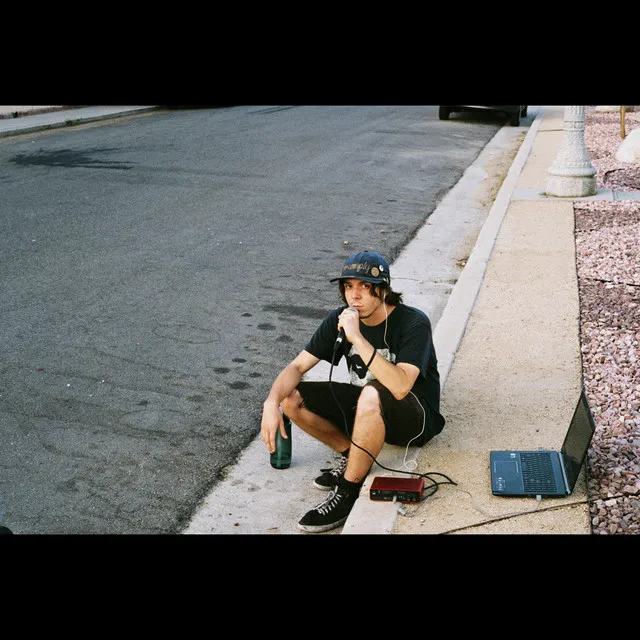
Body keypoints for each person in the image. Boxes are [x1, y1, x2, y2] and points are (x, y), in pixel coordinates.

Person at [260, 250, 445, 533]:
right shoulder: (340, 318)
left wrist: (356, 337)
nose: (354, 296)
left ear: (383, 290)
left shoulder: (412, 322)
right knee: (291, 398)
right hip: (367, 409)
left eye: (364, 287)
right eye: (348, 287)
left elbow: (400, 386)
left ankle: (347, 489)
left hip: (415, 418)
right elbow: (297, 367)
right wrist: (271, 403)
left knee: (372, 392)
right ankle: (352, 455)